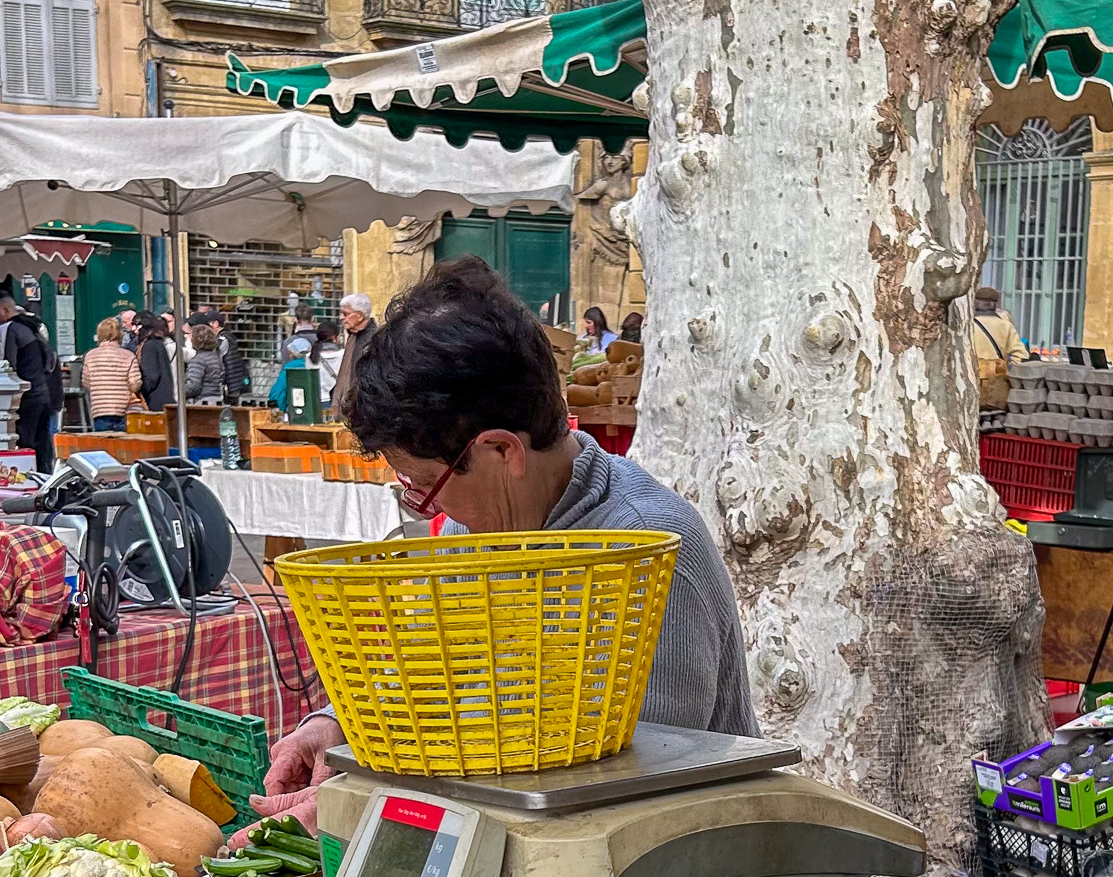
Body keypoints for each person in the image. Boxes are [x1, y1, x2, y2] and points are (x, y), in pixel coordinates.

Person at [250, 257, 758, 835]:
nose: (430, 506)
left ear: (501, 452)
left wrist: (372, 806)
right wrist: (338, 725)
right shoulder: (488, 527)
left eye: (424, 484)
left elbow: (621, 797)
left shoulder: (649, 560)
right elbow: (432, 675)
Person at [0, 293, 53, 466]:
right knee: (42, 444)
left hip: (25, 397)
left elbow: (8, 365)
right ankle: (45, 480)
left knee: (25, 443)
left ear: (5, 310)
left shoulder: (10, 329)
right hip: (43, 392)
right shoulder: (32, 327)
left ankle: (27, 481)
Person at [81, 316, 140, 429]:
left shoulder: (90, 356)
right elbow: (134, 384)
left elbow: (86, 382)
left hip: (100, 408)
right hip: (123, 409)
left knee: (102, 444)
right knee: (122, 444)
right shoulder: (128, 355)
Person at [330, 293, 376, 416]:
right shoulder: (353, 337)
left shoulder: (374, 338)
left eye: (345, 314)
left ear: (359, 316)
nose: (341, 317)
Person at [134, 314, 176, 412]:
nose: (134, 329)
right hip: (165, 397)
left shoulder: (149, 346)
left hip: (155, 400)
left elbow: (152, 376)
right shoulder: (158, 343)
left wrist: (142, 391)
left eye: (136, 325)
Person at [183, 324, 225, 402]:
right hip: (216, 400)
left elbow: (194, 386)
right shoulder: (216, 357)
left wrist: (179, 391)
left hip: (201, 401)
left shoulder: (198, 360)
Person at [312, 318, 343, 403]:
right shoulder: (343, 355)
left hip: (316, 402)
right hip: (336, 401)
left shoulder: (310, 356)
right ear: (334, 337)